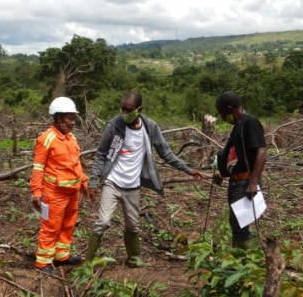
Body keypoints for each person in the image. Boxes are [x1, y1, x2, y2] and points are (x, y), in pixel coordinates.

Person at [86, 91, 205, 267]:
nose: (125, 113)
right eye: (123, 109)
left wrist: (188, 170)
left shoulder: (150, 128)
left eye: (129, 110)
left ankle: (134, 259)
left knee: (133, 226)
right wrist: (94, 181)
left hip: (133, 185)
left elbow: (166, 153)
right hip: (112, 181)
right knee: (103, 222)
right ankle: (88, 262)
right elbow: (101, 154)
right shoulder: (114, 125)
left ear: (139, 109)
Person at [30, 97, 91, 274]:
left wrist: (84, 183)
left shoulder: (71, 138)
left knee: (68, 224)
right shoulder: (46, 139)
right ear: (58, 118)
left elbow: (76, 164)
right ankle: (43, 262)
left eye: (74, 119)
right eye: (70, 119)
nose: (73, 123)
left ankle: (61, 255)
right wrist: (36, 192)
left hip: (72, 192)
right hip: (53, 192)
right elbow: (38, 168)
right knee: (51, 226)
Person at [213, 91, 267, 249]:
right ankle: (243, 262)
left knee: (240, 227)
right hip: (237, 182)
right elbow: (238, 156)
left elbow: (261, 152)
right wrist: (224, 173)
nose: (223, 118)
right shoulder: (238, 126)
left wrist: (253, 182)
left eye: (223, 113)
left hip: (245, 182)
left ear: (231, 108)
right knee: (238, 225)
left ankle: (244, 263)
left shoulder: (250, 122)